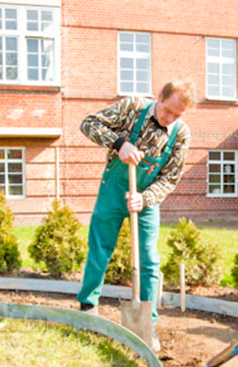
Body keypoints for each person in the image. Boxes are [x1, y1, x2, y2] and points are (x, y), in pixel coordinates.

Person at [77, 80, 195, 352]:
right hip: (114, 189)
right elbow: (89, 124)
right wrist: (120, 143)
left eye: (178, 115)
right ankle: (87, 307)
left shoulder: (181, 133)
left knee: (150, 260)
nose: (170, 119)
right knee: (100, 247)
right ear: (159, 98)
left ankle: (146, 325)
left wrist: (146, 198)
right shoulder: (132, 107)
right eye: (167, 111)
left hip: (146, 198)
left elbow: (170, 178)